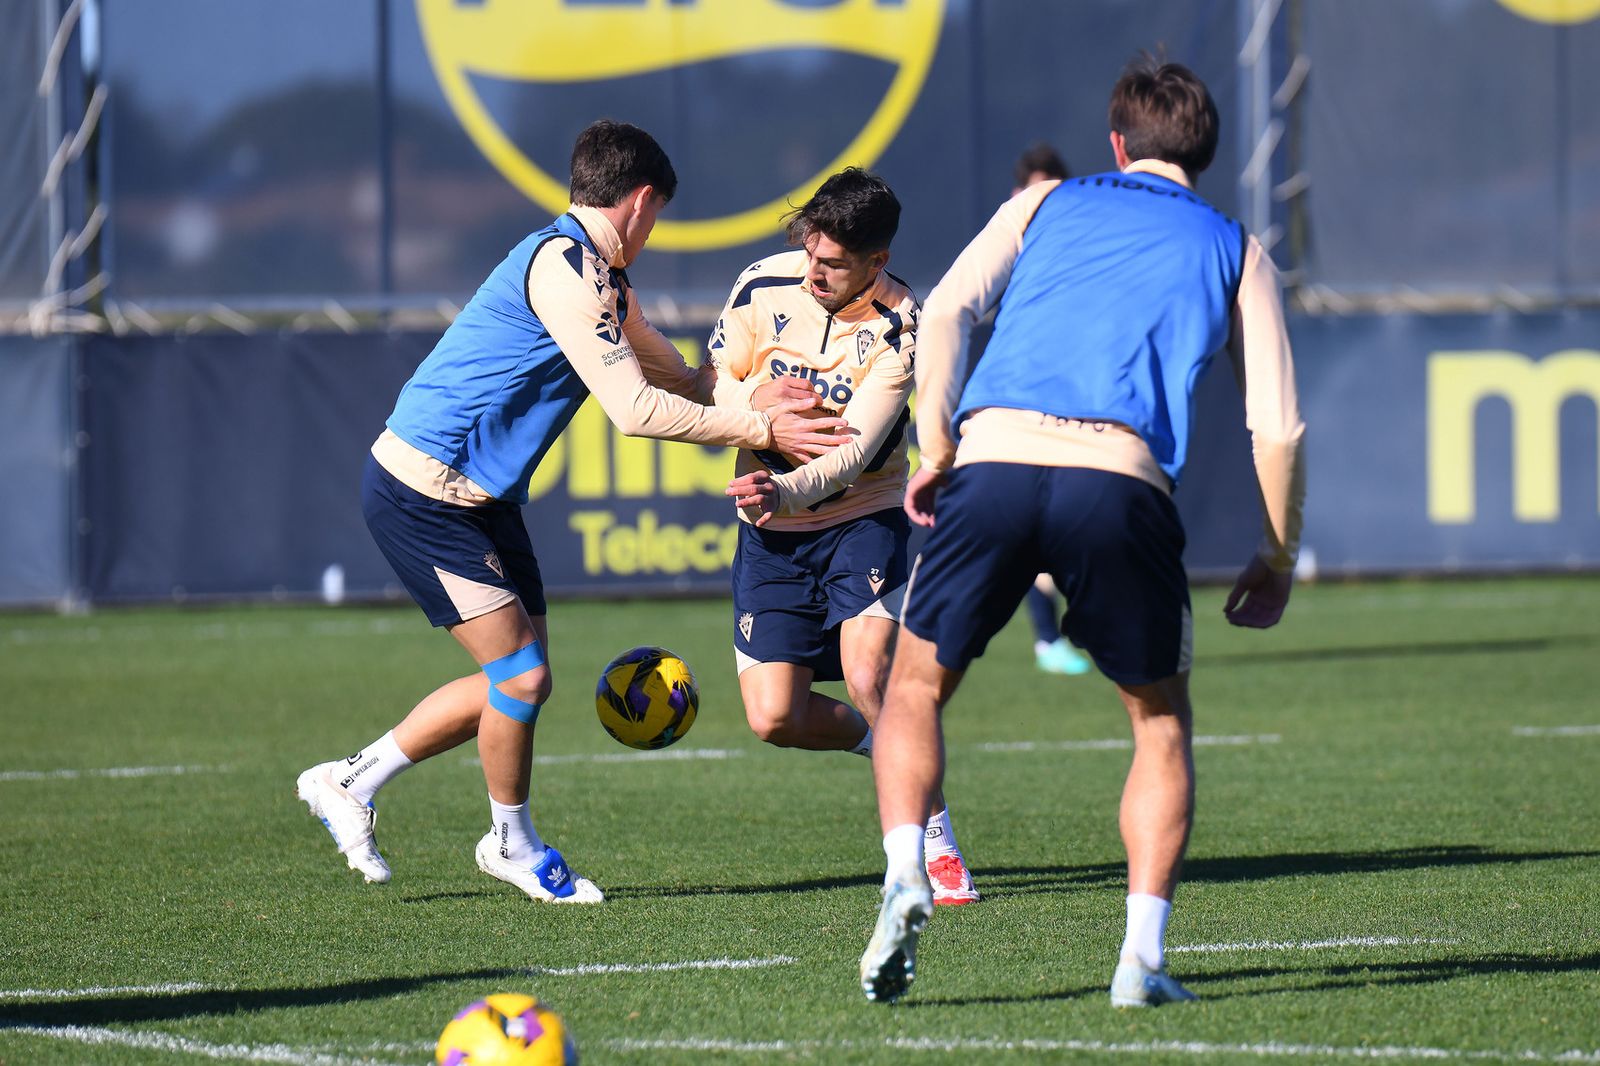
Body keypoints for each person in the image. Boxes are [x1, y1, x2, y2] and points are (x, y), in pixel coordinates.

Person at [294, 120, 844, 904]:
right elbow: (635, 411)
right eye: (657, 217)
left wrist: (757, 393)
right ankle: (510, 844)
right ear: (643, 201)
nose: (654, 232)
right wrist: (763, 428)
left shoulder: (602, 280)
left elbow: (684, 381)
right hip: (424, 487)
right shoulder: (566, 270)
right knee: (518, 673)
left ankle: (352, 780)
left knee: (522, 681)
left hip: (482, 497)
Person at [858, 55, 1306, 1005]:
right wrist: (1276, 554)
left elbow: (945, 311)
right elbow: (1278, 424)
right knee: (1158, 723)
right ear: (1208, 153)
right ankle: (1140, 960)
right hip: (1121, 479)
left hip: (994, 459)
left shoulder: (1046, 202)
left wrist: (934, 442)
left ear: (1116, 143)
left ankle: (906, 873)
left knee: (914, 687)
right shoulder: (1236, 245)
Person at [717, 168, 978, 906]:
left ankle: (931, 835)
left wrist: (784, 487)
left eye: (833, 263)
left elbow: (853, 456)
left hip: (860, 518)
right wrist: (753, 402)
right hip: (768, 533)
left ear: (877, 263)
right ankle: (888, 747)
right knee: (774, 717)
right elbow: (713, 382)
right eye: (810, 251)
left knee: (872, 676)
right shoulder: (761, 285)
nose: (814, 271)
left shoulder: (903, 326)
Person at [1010, 144, 1094, 678]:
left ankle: (1061, 630)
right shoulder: (1009, 247)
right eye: (1033, 192)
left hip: (1077, 401)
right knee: (1034, 528)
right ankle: (1048, 638)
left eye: (1052, 192)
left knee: (1069, 524)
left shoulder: (1084, 250)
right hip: (1023, 404)